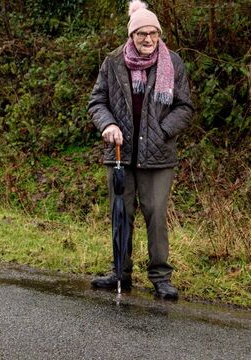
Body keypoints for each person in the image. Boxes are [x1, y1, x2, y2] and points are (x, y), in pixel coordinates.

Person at [87, 0, 193, 300]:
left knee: (156, 215)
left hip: (158, 156)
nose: (148, 39)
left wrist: (162, 130)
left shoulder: (173, 63)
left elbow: (184, 107)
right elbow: (97, 102)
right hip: (120, 153)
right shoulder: (113, 61)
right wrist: (107, 124)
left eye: (153, 34)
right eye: (141, 34)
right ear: (131, 35)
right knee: (121, 214)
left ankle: (160, 277)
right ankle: (120, 272)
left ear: (159, 34)